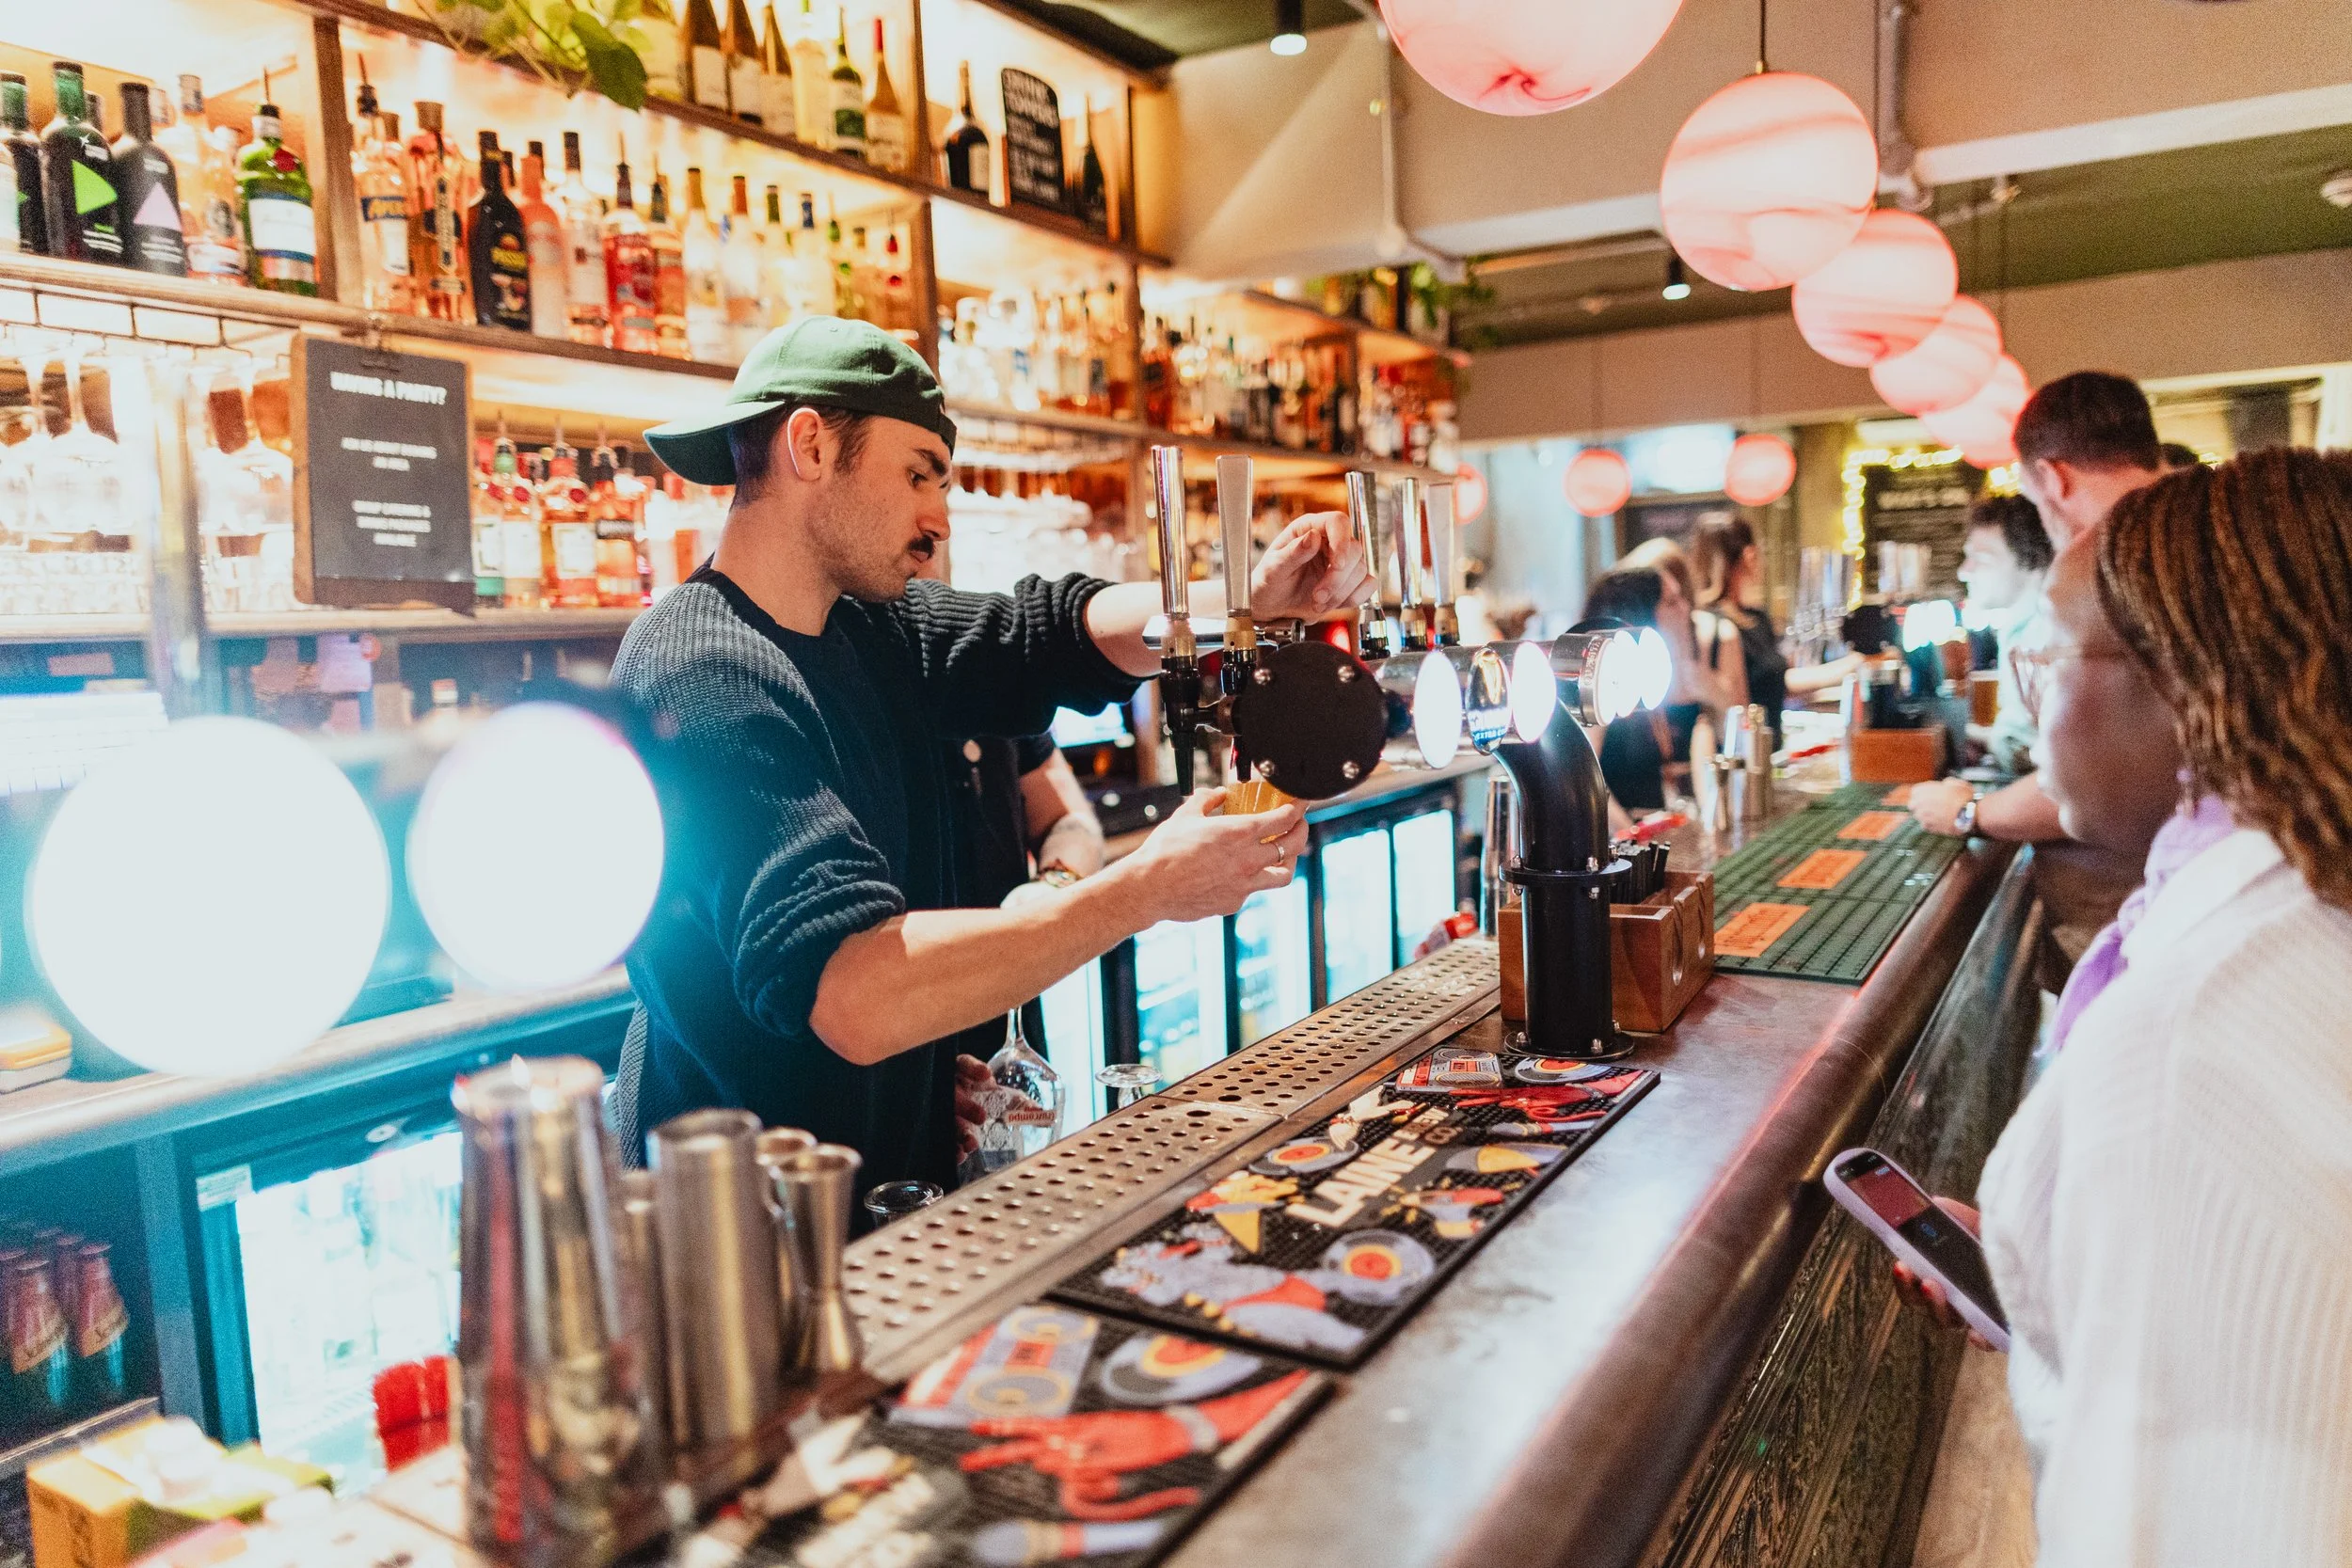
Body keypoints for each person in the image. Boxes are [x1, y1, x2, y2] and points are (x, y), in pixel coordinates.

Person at [612, 319, 1369, 1191]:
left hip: (883, 1201)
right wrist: (1146, 889)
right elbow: (857, 993)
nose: (938, 517)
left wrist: (1244, 596)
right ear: (810, 445)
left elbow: (1042, 634)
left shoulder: (869, 630)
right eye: (917, 474)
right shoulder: (702, 670)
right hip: (739, 1235)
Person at [1911, 449, 2352, 1562]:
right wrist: (2052, 1266)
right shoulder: (2305, 895)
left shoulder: (2188, 1048)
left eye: (2047, 656)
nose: (2032, 694)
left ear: (2188, 688)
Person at [1909, 371, 2166, 841]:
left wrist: (1970, 815)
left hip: (2171, 874)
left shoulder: (2109, 570)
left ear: (2051, 477)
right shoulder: (2206, 531)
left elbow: (2095, 783)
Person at [1688, 516, 1859, 749]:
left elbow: (1777, 683)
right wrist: (1852, 665)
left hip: (1770, 750)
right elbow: (1741, 710)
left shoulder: (1755, 618)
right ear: (1749, 555)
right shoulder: (1716, 628)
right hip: (1748, 756)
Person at [1955, 495, 2053, 774]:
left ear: (2032, 561)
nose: (1964, 572)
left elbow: (2045, 759)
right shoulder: (2018, 626)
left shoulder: (2047, 634)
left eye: (1981, 559)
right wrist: (1981, 738)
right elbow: (2022, 738)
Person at [1579, 566, 1673, 814]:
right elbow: (1582, 778)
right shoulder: (1606, 680)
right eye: (1671, 602)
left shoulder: (1651, 673)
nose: (1685, 608)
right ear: (1641, 614)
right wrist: (1630, 833)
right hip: (1621, 840)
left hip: (1652, 830)